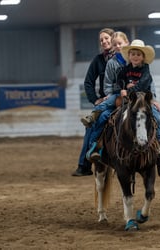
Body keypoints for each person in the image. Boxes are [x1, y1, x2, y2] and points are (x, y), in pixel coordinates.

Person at [86, 39, 160, 175]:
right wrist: (122, 88)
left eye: (138, 54)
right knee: (104, 117)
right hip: (126, 100)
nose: (135, 57)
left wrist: (129, 90)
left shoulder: (145, 70)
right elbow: (118, 81)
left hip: (142, 100)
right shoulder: (125, 69)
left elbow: (143, 84)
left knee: (159, 118)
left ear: (143, 57)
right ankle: (95, 144)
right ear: (129, 56)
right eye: (133, 54)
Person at [71, 27, 115, 177]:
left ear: (113, 39)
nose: (104, 42)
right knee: (91, 126)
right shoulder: (98, 60)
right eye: (101, 40)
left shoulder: (124, 57)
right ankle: (84, 164)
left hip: (123, 97)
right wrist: (95, 100)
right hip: (106, 102)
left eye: (106, 38)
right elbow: (88, 82)